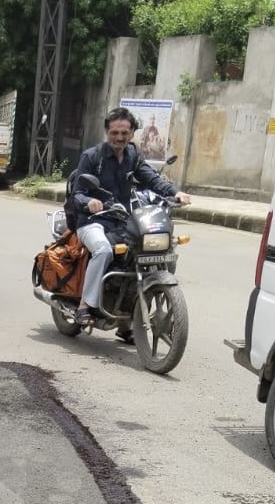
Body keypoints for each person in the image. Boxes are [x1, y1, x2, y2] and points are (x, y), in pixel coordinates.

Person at [72, 106, 190, 338]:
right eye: (115, 132)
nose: (119, 137)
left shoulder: (133, 156)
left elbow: (152, 179)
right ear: (107, 131)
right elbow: (77, 194)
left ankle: (128, 320)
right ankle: (85, 305)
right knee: (104, 251)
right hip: (92, 221)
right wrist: (89, 203)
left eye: (124, 133)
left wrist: (176, 193)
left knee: (144, 254)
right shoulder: (92, 157)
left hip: (122, 219)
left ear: (132, 133)